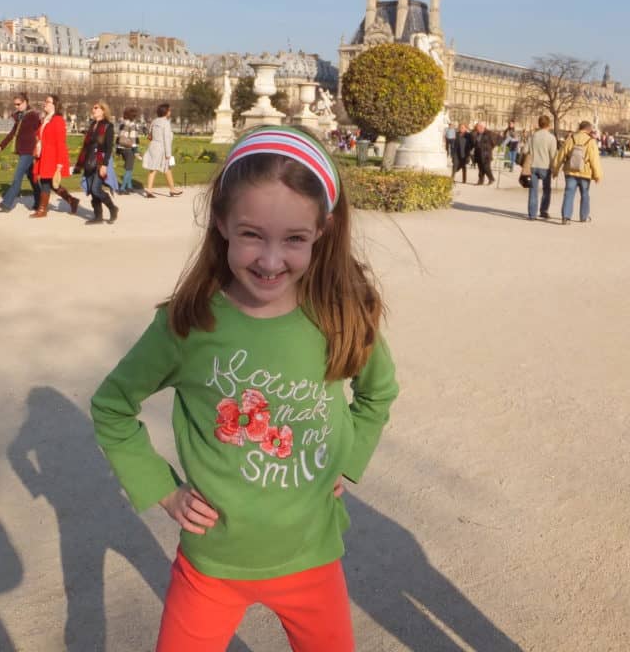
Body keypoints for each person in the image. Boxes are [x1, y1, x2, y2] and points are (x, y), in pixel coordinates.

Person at [91, 126, 400, 652]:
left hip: (312, 559)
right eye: (252, 234)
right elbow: (111, 407)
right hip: (211, 565)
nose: (271, 260)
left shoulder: (340, 315)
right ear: (221, 224)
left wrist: (343, 461)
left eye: (294, 239)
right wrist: (163, 491)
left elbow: (377, 393)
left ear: (322, 231)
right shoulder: (187, 324)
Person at [30, 95, 79, 218]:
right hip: (44, 155)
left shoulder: (57, 120)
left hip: (52, 157)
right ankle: (71, 200)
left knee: (46, 182)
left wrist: (59, 164)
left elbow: (60, 142)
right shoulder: (46, 119)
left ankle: (42, 209)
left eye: (48, 101)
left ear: (54, 105)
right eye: (45, 101)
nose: (44, 103)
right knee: (51, 183)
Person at [0, 92, 41, 212]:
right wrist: (0, 147)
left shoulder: (33, 115)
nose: (16, 107)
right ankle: (40, 202)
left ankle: (7, 204)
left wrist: (40, 147)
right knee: (32, 178)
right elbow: (12, 134)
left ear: (25, 102)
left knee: (17, 177)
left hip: (29, 151)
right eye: (15, 105)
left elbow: (40, 131)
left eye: (18, 104)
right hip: (23, 151)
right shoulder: (20, 116)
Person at [74, 102, 119, 224]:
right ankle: (98, 216)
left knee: (95, 189)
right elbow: (86, 146)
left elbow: (109, 147)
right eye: (93, 107)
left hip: (100, 160)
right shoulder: (93, 125)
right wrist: (79, 164)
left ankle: (113, 208)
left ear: (103, 111)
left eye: (96, 108)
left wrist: (104, 165)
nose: (93, 110)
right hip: (90, 159)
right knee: (91, 188)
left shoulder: (108, 126)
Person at [552, 121, 603, 224]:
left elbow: (561, 155)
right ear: (588, 129)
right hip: (585, 172)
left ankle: (566, 217)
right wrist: (597, 175)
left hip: (570, 171)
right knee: (585, 194)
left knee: (569, 194)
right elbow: (594, 159)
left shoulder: (570, 138)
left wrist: (555, 169)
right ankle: (584, 217)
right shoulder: (591, 141)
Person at [142, 103, 183, 198]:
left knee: (165, 168)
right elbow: (166, 139)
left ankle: (171, 189)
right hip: (161, 148)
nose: (170, 112)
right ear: (166, 112)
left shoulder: (154, 121)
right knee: (156, 168)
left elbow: (149, 134)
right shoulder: (166, 123)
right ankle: (150, 190)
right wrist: (168, 153)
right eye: (169, 110)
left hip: (153, 146)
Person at [524, 115, 558, 221]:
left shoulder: (533, 136)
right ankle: (543, 210)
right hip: (545, 166)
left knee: (533, 190)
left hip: (533, 166)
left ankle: (532, 214)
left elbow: (525, 150)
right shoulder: (551, 138)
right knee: (546, 190)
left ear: (539, 124)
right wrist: (555, 169)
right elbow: (553, 155)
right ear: (549, 124)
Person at [116, 107, 141, 195]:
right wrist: (136, 151)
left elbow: (118, 138)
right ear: (133, 115)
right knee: (129, 170)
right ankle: (122, 188)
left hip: (122, 149)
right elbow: (133, 140)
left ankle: (129, 186)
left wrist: (118, 150)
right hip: (129, 149)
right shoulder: (132, 125)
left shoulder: (122, 124)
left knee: (128, 168)